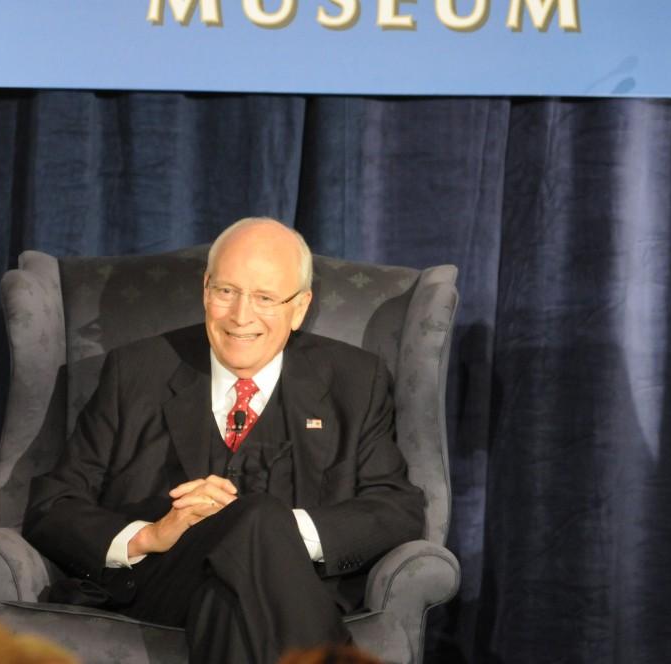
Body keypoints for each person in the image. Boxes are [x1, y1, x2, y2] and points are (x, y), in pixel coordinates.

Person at [23, 218, 424, 664]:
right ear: (205, 289)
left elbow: (396, 508)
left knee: (242, 565)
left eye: (265, 298)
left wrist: (285, 534)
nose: (241, 316)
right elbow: (52, 506)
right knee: (255, 519)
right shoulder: (136, 372)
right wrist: (150, 536)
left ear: (299, 308)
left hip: (281, 598)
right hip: (159, 585)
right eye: (226, 291)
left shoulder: (354, 379)